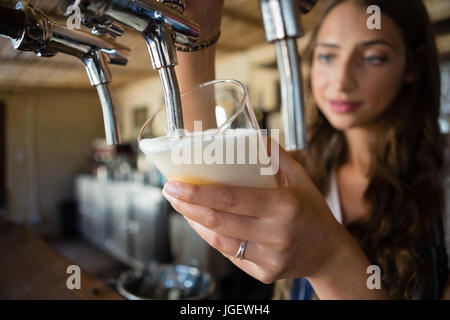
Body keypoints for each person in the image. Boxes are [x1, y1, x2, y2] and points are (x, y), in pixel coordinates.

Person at [161, 0, 450, 299]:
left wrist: (330, 260)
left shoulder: (443, 182)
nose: (341, 80)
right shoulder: (303, 166)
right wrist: (199, 33)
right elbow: (202, 162)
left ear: (413, 66)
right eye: (327, 56)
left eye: (374, 57)